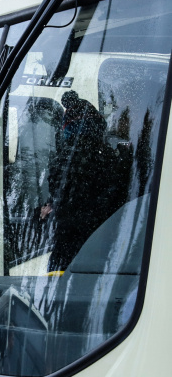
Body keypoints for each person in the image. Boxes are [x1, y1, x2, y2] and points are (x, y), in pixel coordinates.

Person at [41, 90, 127, 271]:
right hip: (95, 249)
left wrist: (47, 210)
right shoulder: (106, 157)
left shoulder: (63, 158)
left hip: (65, 249)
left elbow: (58, 201)